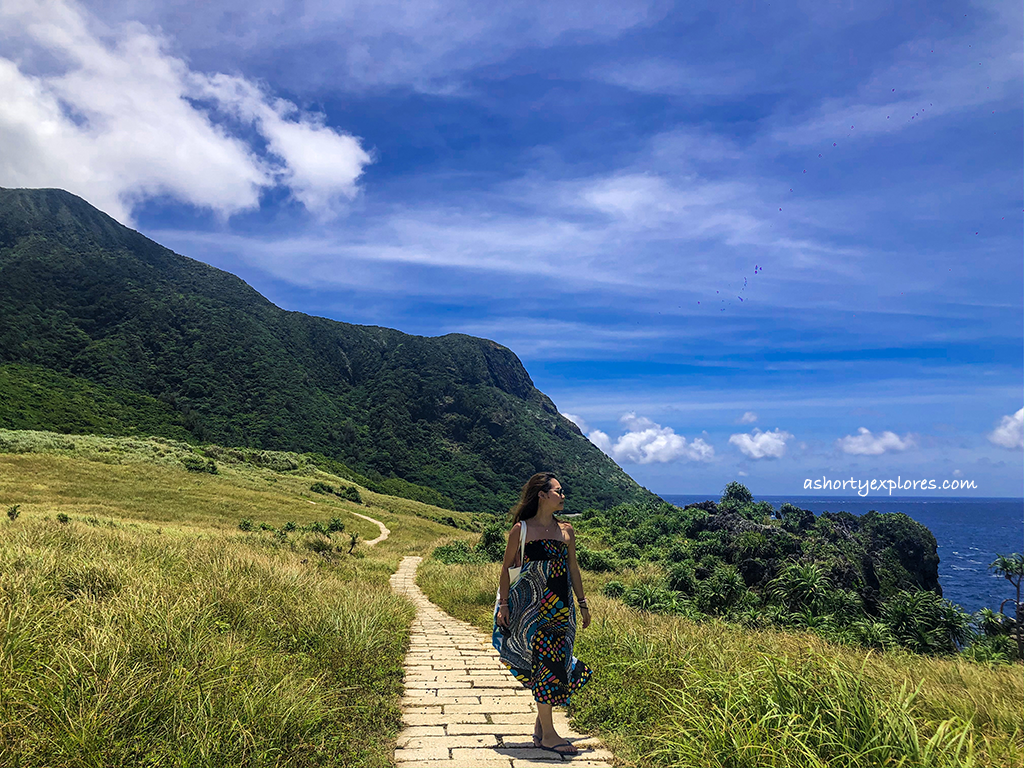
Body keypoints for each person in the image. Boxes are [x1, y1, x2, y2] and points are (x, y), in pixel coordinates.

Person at [492, 472, 592, 756]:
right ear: (542, 495)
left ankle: (540, 730)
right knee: (546, 665)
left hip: (562, 609)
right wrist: (504, 605)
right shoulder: (521, 530)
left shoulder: (567, 531)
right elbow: (506, 569)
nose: (563, 495)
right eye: (558, 491)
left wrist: (582, 603)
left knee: (556, 664)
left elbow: (573, 569)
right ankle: (549, 734)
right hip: (532, 612)